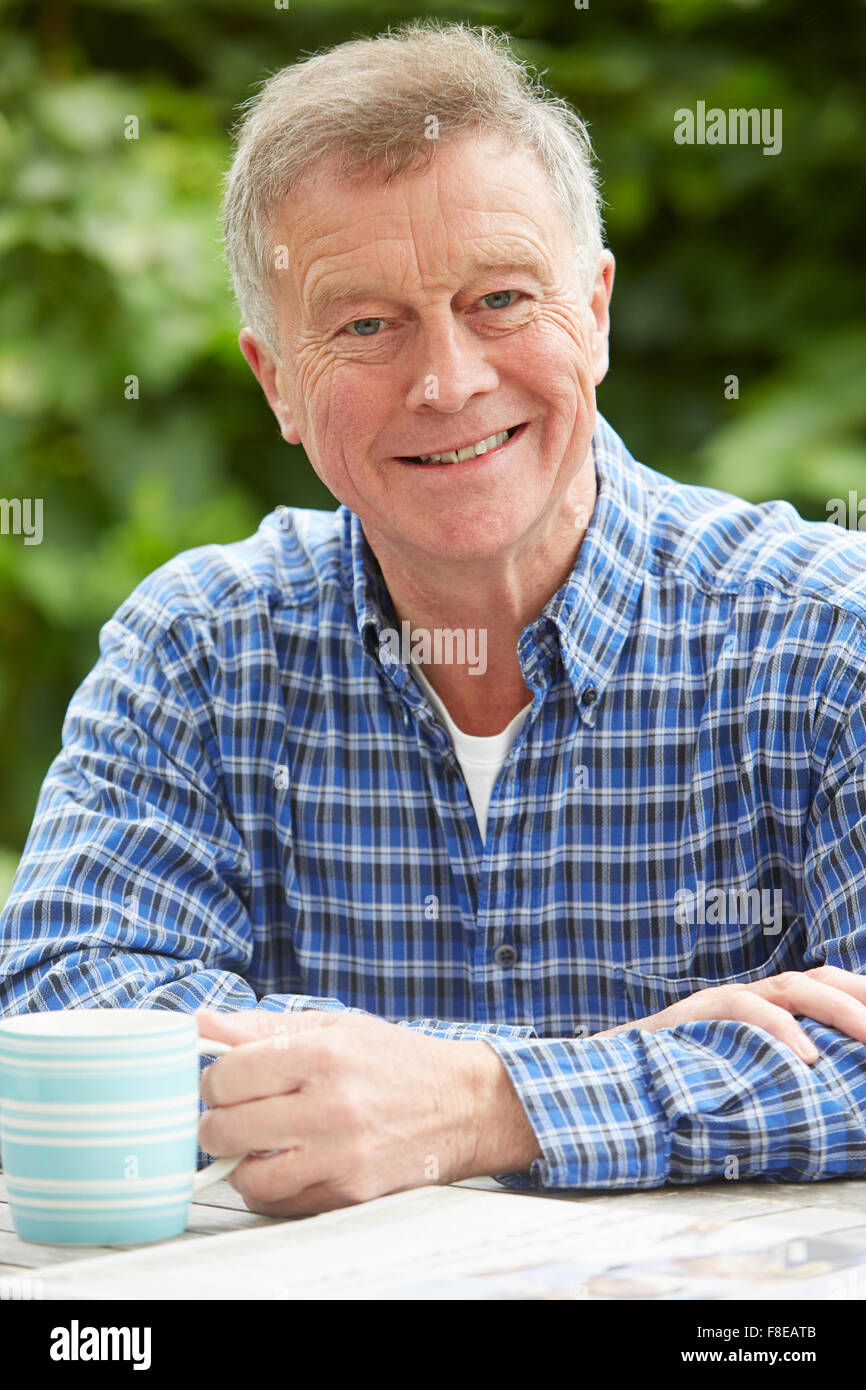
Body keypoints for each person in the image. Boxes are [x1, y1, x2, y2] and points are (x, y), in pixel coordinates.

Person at [3, 22, 866, 1218]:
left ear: (596, 311)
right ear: (277, 384)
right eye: (364, 324)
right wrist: (588, 1072)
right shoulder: (198, 654)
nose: (446, 380)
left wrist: (481, 1101)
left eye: (499, 298)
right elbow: (68, 1007)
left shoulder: (825, 639)